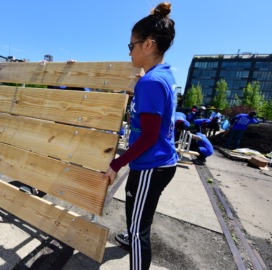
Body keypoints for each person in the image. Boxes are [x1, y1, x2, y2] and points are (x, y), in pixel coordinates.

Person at [103, 3, 177, 269]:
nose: (129, 51)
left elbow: (147, 137)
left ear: (148, 44)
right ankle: (133, 231)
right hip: (157, 163)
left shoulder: (150, 82)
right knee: (139, 218)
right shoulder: (162, 75)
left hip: (150, 165)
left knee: (138, 231)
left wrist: (116, 164)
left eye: (131, 45)